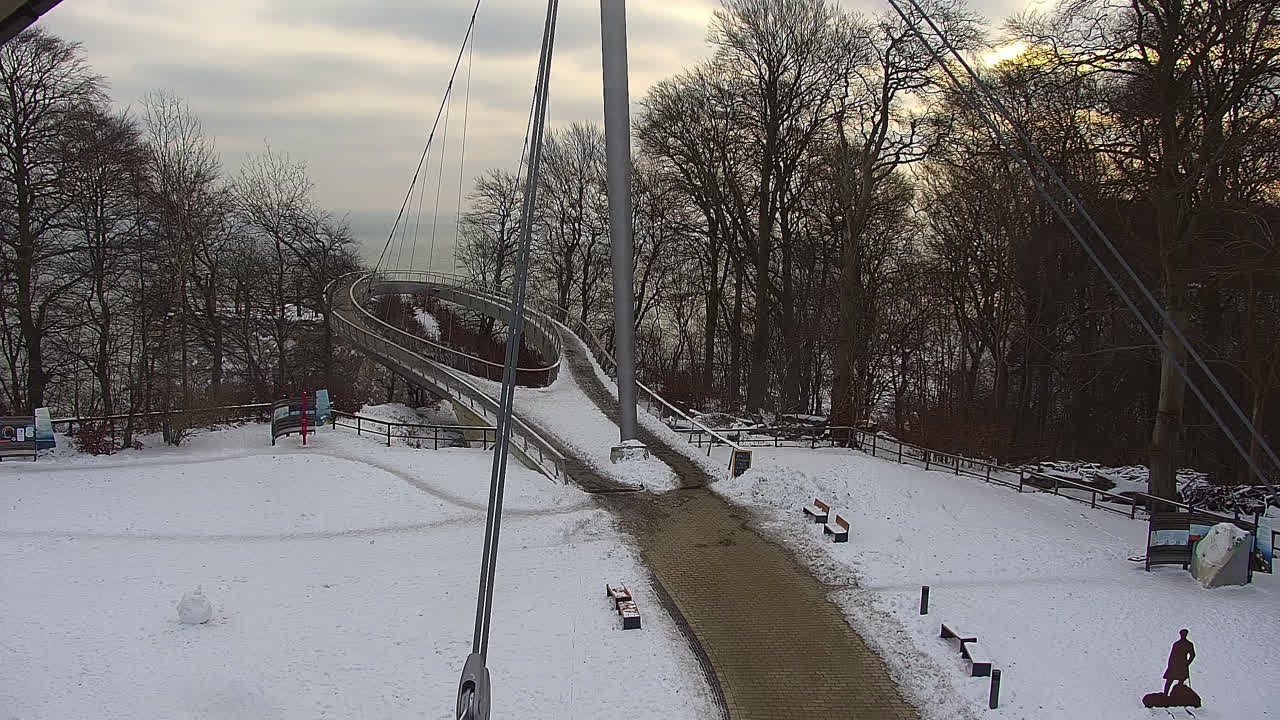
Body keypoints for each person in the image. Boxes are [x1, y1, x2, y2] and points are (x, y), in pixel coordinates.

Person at [1163, 629, 1196, 695]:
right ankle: (1165, 694)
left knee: (1179, 680)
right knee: (1170, 680)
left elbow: (1192, 655)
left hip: (1181, 665)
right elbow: (1172, 655)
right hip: (1175, 664)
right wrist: (1170, 664)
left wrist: (1187, 663)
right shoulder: (1177, 644)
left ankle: (1176, 694)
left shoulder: (1188, 644)